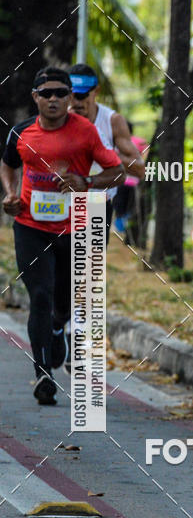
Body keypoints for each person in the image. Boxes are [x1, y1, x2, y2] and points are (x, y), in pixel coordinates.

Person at [0, 66, 124, 405]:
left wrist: (88, 183)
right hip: (30, 226)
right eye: (47, 93)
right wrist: (10, 195)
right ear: (35, 97)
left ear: (70, 98)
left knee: (65, 301)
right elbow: (7, 163)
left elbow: (117, 171)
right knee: (39, 295)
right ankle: (43, 374)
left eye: (61, 93)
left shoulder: (85, 133)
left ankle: (58, 328)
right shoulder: (21, 132)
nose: (54, 99)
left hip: (75, 227)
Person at [68, 64, 145, 240]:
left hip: (97, 202)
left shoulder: (112, 121)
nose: (76, 102)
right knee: (60, 264)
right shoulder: (57, 118)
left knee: (89, 265)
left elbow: (139, 168)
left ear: (96, 91)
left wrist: (103, 152)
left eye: (82, 95)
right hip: (64, 202)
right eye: (71, 95)